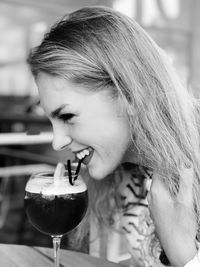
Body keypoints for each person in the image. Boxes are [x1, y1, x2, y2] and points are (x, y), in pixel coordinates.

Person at [27, 6, 200, 267]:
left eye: (67, 116)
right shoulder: (124, 170)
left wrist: (183, 253)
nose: (57, 142)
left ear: (129, 94)